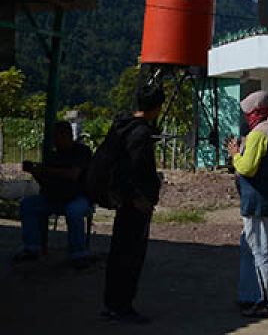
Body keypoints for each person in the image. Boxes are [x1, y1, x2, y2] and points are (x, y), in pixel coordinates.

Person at [101, 80, 164, 325]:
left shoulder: (122, 126)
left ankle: (112, 303)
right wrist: (139, 199)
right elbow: (131, 170)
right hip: (134, 205)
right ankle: (123, 306)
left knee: (118, 253)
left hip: (121, 202)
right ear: (156, 107)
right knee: (130, 256)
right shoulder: (140, 133)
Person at [226, 90, 268, 317]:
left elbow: (247, 167)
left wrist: (235, 154)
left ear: (255, 112)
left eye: (248, 113)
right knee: (251, 248)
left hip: (259, 202)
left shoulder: (259, 134)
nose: (246, 117)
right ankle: (250, 296)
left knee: (261, 251)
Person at [12, 121, 93, 267]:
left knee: (73, 211)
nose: (55, 141)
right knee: (28, 205)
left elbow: (73, 174)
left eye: (57, 136)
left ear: (66, 135)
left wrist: (44, 170)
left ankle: (78, 254)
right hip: (54, 196)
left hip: (78, 196)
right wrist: (36, 172)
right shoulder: (53, 156)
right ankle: (32, 248)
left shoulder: (82, 151)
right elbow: (46, 182)